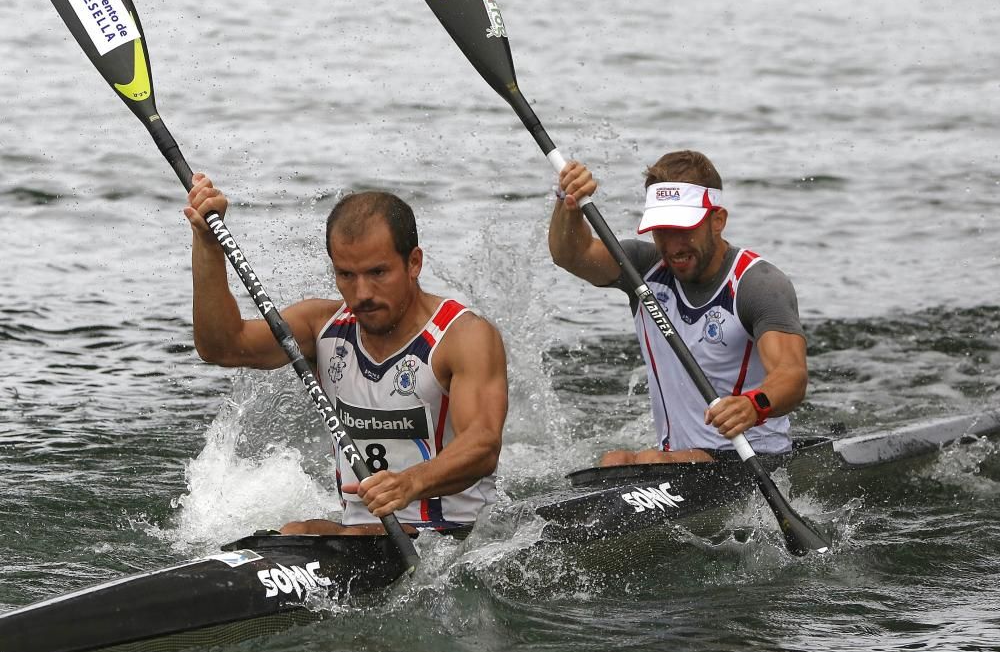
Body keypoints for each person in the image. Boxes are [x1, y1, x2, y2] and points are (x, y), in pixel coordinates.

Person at [184, 173, 508, 534]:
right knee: (296, 532)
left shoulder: (463, 337)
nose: (362, 292)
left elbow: (482, 444)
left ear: (414, 263)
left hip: (453, 536)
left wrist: (409, 483)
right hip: (364, 536)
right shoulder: (320, 326)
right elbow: (222, 346)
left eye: (378, 272)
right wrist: (207, 244)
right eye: (346, 275)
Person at [549, 150, 807, 466]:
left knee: (649, 462)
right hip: (677, 459)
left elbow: (791, 376)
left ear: (717, 221)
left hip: (751, 456)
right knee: (613, 460)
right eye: (662, 230)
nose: (672, 247)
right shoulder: (642, 270)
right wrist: (568, 201)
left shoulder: (758, 284)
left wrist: (755, 405)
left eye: (683, 230)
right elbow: (571, 255)